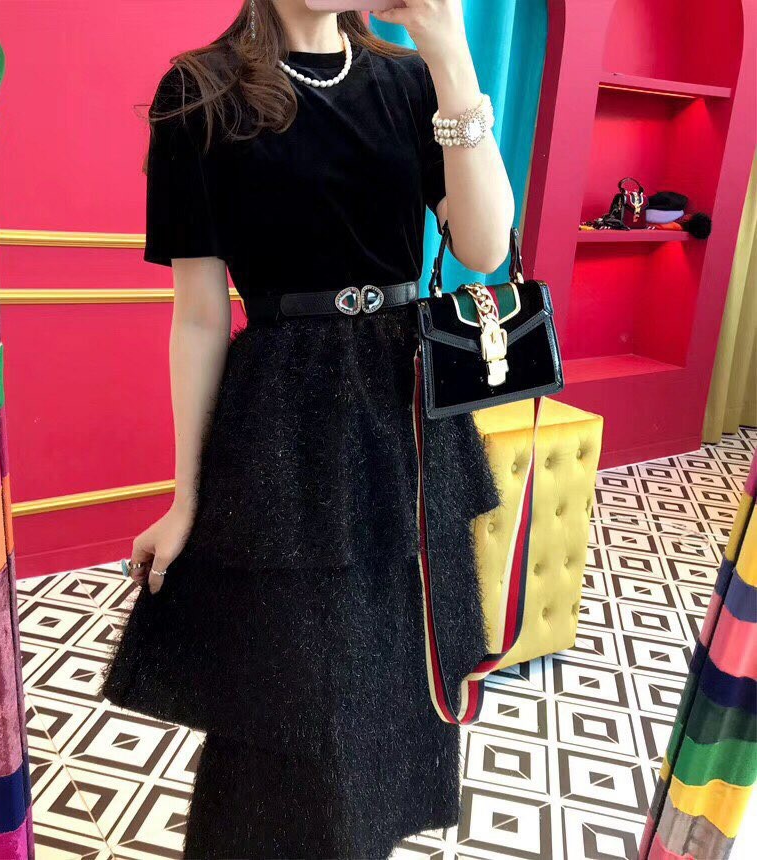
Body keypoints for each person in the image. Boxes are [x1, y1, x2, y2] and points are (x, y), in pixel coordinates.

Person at [102, 1, 514, 856]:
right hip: (284, 425)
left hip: (405, 412)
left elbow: (484, 247)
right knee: (289, 701)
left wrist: (450, 54)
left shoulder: (410, 80)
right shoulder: (202, 89)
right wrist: (187, 497)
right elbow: (198, 316)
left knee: (397, 679)